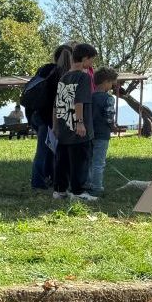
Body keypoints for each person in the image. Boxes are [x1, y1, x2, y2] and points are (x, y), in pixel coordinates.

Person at [52, 43, 98, 201]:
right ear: (84, 58)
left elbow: (57, 104)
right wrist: (80, 122)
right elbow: (79, 101)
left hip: (64, 126)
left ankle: (60, 190)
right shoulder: (84, 77)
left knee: (62, 160)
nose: (91, 64)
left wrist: (55, 126)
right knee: (80, 160)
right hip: (78, 128)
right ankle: (79, 192)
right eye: (91, 60)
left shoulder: (64, 77)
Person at [30, 44, 73, 190]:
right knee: (49, 151)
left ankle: (44, 180)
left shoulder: (45, 69)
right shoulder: (65, 75)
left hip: (38, 114)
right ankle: (40, 182)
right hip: (52, 117)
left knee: (45, 150)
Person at [88, 67, 119, 195]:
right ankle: (97, 188)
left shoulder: (89, 97)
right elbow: (109, 117)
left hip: (89, 134)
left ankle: (87, 184)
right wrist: (114, 127)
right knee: (99, 163)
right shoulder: (109, 98)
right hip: (102, 134)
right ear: (106, 82)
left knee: (89, 161)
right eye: (112, 83)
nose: (112, 86)